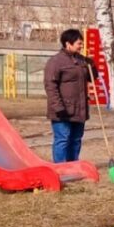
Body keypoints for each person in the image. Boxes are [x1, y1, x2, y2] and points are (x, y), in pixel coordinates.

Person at [44, 29, 94, 163]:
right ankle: (60, 167)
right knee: (63, 139)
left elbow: (92, 77)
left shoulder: (82, 60)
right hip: (63, 110)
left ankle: (73, 164)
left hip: (80, 109)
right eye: (79, 43)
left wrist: (92, 67)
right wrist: (58, 107)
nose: (81, 46)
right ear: (68, 44)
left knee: (76, 139)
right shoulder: (55, 62)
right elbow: (50, 86)